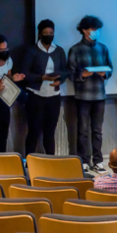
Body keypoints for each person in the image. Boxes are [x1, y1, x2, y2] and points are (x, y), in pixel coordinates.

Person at [67, 16, 111, 171]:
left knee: (97, 131)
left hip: (99, 95)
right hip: (82, 96)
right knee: (83, 130)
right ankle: (84, 161)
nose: (96, 32)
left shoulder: (103, 48)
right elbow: (70, 74)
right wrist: (82, 75)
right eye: (93, 29)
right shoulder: (75, 49)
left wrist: (103, 74)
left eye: (97, 29)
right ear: (84, 30)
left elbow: (109, 69)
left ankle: (98, 161)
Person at [20, 20, 67, 156]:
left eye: (51, 33)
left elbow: (65, 71)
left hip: (54, 97)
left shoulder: (59, 51)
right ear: (39, 34)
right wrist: (42, 78)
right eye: (45, 33)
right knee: (34, 131)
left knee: (50, 132)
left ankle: (50, 161)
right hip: (35, 97)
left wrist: (60, 80)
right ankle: (29, 162)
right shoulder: (32, 51)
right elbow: (25, 73)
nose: (48, 35)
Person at [0, 35, 25, 152]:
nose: (5, 52)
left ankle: (1, 159)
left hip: (4, 97)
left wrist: (14, 78)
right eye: (2, 50)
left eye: (6, 49)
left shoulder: (8, 60)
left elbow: (8, 77)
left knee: (3, 127)